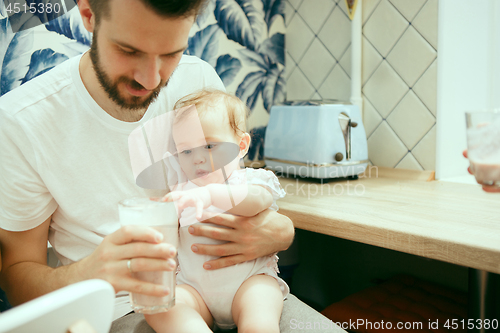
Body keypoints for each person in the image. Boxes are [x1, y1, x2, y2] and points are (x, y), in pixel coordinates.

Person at [0, 0, 343, 332]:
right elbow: (15, 276)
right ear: (89, 15)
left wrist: (281, 231)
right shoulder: (22, 122)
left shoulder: (198, 80)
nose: (150, 79)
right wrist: (91, 271)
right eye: (129, 50)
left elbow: (241, 186)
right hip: (129, 308)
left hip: (246, 285)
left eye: (170, 54)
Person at [146, 90, 288, 332]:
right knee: (160, 308)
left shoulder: (251, 180)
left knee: (260, 319)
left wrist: (210, 195)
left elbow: (257, 201)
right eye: (186, 151)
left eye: (209, 146)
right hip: (194, 291)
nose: (198, 158)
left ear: (241, 146)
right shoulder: (183, 190)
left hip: (250, 284)